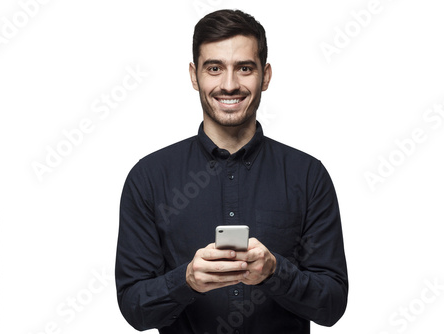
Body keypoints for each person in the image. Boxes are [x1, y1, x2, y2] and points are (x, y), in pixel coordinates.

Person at [115, 9, 348, 334]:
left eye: (244, 68)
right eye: (214, 68)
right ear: (194, 75)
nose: (229, 85)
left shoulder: (308, 176)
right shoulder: (149, 178)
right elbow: (134, 309)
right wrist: (186, 281)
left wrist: (275, 272)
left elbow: (333, 305)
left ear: (265, 76)